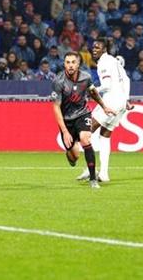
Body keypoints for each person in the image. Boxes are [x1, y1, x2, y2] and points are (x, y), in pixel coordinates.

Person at [51, 52, 115, 189]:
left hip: (83, 114)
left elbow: (93, 93)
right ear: (64, 64)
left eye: (73, 62)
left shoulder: (86, 77)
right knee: (74, 156)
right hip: (67, 120)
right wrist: (64, 131)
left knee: (86, 139)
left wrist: (104, 107)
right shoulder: (58, 81)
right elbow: (56, 108)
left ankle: (93, 179)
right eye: (67, 62)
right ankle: (71, 155)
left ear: (78, 64)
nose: (70, 65)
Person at [76, 39, 131, 183]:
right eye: (93, 47)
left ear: (104, 49)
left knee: (86, 131)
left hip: (111, 101)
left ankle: (89, 169)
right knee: (105, 135)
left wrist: (90, 90)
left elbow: (106, 85)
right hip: (120, 102)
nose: (94, 49)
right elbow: (126, 80)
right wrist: (126, 99)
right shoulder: (114, 61)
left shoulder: (104, 62)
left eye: (97, 47)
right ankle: (104, 173)